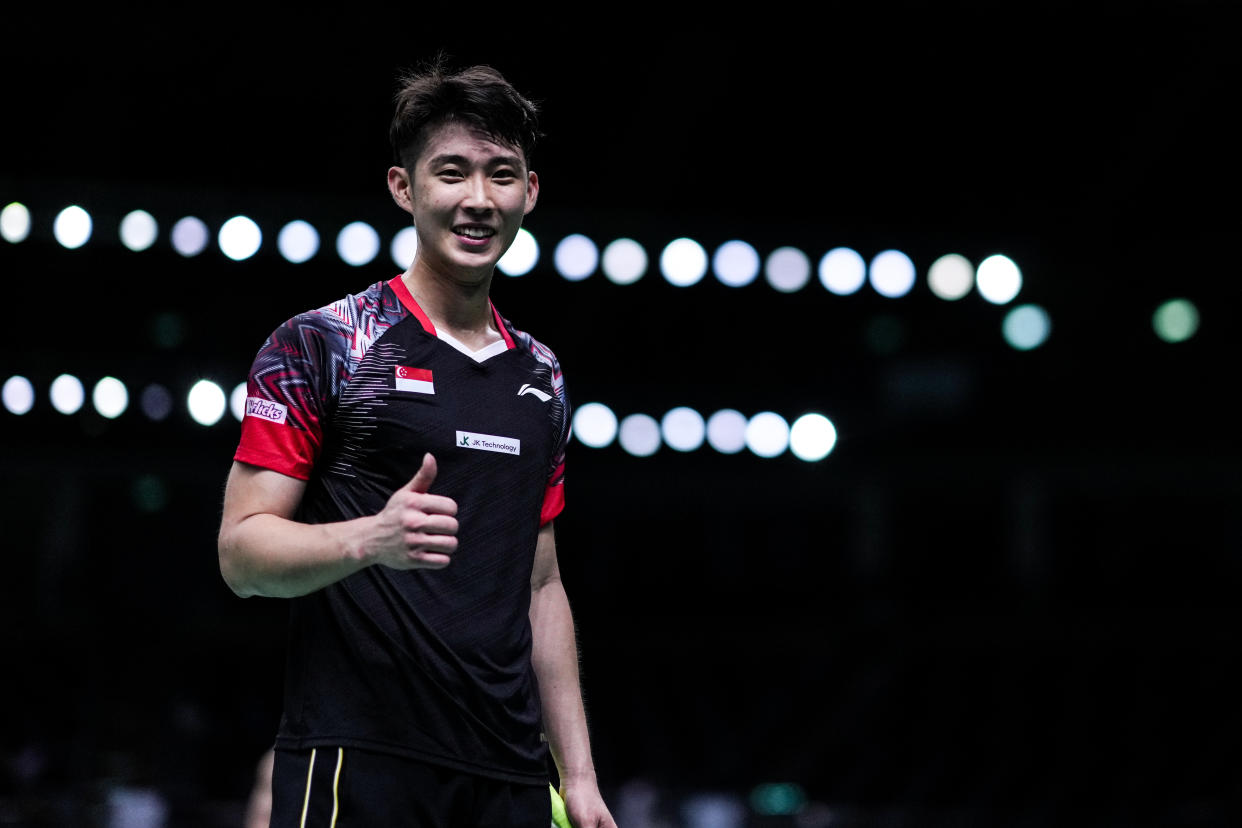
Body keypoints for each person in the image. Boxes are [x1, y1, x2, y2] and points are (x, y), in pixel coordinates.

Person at [218, 57, 616, 828]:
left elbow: (541, 588)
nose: (478, 200)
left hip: (508, 775)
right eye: (452, 173)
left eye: (502, 175)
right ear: (404, 188)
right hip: (357, 763)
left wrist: (582, 776)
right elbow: (241, 556)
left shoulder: (542, 376)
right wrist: (371, 538)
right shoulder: (324, 344)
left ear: (530, 192)